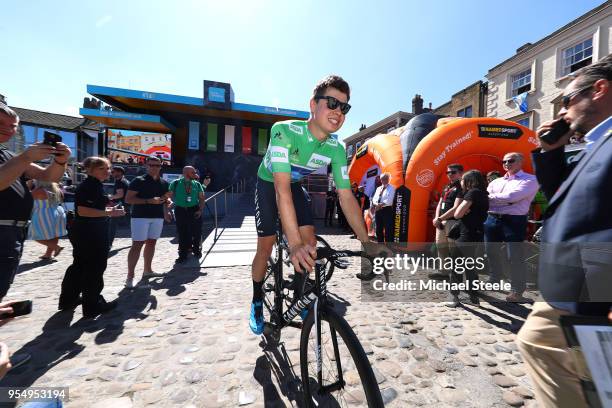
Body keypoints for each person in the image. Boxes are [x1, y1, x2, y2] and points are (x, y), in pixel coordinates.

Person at [516, 54, 612, 408]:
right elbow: (562, 198)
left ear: (599, 90)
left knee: (541, 344)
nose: (561, 112)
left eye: (568, 100)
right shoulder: (595, 143)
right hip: (579, 291)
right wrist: (551, 153)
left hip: (591, 291)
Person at [249, 75, 371, 334]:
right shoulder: (284, 131)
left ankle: (299, 294)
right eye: (332, 103)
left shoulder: (336, 149)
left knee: (310, 243)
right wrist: (293, 245)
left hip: (293, 185)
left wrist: (368, 243)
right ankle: (257, 299)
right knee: (267, 244)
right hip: (269, 183)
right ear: (313, 105)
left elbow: (346, 196)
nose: (338, 112)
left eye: (344, 107)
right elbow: (280, 189)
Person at [0, 104, 71, 300]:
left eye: (13, 126)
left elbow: (48, 177)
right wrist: (26, 156)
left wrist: (60, 162)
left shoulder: (9, 155)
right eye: (1, 123)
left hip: (14, 230)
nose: (9, 129)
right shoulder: (19, 158)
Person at [59, 157, 125, 317]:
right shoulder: (89, 186)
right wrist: (111, 212)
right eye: (102, 168)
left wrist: (108, 204)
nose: (107, 171)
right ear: (90, 169)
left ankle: (68, 299)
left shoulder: (94, 185)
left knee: (80, 265)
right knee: (94, 268)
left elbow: (93, 205)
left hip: (86, 230)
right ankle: (92, 305)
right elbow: (83, 210)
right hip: (90, 231)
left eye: (108, 168)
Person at [484, 152, 539, 302]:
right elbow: (488, 199)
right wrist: (505, 201)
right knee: (490, 252)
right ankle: (494, 280)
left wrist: (497, 199)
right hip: (492, 218)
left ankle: (517, 291)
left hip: (514, 221)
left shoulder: (531, 179)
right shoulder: (496, 181)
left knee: (514, 256)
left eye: (510, 161)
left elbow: (512, 198)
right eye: (504, 161)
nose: (506, 164)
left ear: (520, 162)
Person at [125, 156, 171, 288]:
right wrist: (148, 201)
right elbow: (128, 199)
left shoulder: (163, 182)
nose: (154, 168)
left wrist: (167, 206)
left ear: (161, 166)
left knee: (152, 243)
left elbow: (165, 200)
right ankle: (130, 277)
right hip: (140, 217)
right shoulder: (138, 180)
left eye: (157, 165)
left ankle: (147, 271)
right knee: (137, 244)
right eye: (152, 165)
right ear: (146, 166)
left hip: (157, 217)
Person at [446, 170, 489, 307]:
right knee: (471, 268)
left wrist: (463, 211)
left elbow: (458, 214)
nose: (461, 182)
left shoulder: (472, 193)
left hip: (466, 235)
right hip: (477, 234)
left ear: (470, 181)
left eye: (463, 180)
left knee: (457, 266)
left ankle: (455, 297)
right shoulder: (484, 193)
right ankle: (473, 298)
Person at [432, 164, 464, 279]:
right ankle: (443, 272)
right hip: (440, 222)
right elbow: (440, 203)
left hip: (452, 222)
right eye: (448, 173)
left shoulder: (462, 187)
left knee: (454, 250)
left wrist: (440, 218)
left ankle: (457, 275)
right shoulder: (446, 186)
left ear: (460, 173)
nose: (450, 175)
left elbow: (456, 208)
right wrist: (437, 218)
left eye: (453, 172)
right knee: (441, 247)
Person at [168, 166, 205, 263]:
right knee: (182, 232)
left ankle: (196, 250)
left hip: (194, 209)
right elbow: (168, 196)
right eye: (193, 172)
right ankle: (183, 254)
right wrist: (170, 204)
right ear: (186, 173)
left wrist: (200, 210)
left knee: (197, 231)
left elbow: (201, 198)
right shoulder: (175, 183)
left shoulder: (197, 184)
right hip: (180, 210)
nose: (195, 174)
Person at [28, 181, 67, 259]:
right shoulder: (57, 190)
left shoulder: (39, 190)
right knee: (54, 234)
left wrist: (29, 185)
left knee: (34, 235)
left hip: (44, 213)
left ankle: (56, 247)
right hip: (58, 212)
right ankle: (48, 254)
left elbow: (26, 197)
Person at [371, 173, 396, 243]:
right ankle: (381, 245)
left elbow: (389, 200)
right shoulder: (378, 188)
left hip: (386, 210)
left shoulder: (391, 188)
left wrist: (379, 205)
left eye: (386, 179)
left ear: (389, 179)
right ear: (380, 180)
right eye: (383, 179)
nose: (384, 180)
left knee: (388, 229)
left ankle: (389, 246)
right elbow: (374, 199)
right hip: (378, 210)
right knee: (378, 229)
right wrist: (376, 204)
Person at [108, 165, 129, 247]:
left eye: (113, 172)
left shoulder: (119, 181)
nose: (111, 173)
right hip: (126, 205)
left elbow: (120, 195)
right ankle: (140, 239)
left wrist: (110, 197)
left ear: (119, 172)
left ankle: (109, 244)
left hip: (121, 206)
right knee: (130, 223)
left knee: (112, 225)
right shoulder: (125, 180)